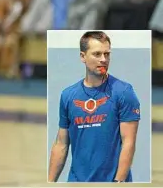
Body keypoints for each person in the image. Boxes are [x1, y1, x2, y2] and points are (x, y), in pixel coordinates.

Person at [48, 31, 140, 183]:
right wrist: (50, 183)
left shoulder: (123, 92)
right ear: (83, 57)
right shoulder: (68, 95)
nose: (103, 59)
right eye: (97, 54)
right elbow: (61, 143)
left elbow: (128, 142)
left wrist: (119, 182)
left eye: (107, 54)